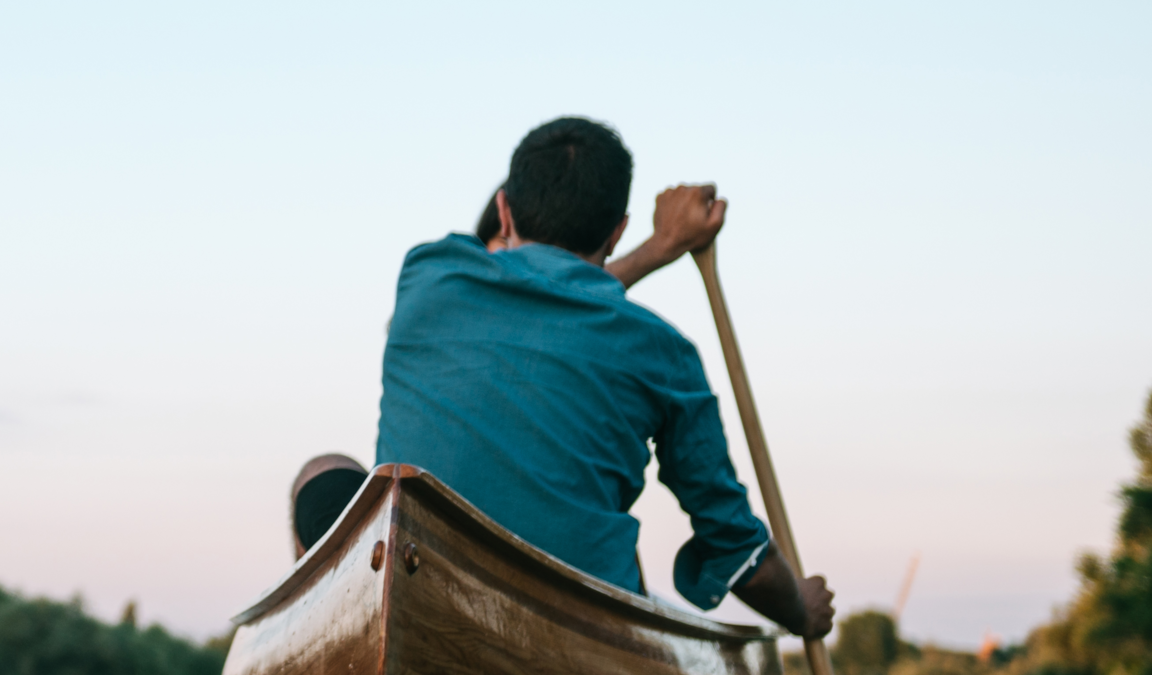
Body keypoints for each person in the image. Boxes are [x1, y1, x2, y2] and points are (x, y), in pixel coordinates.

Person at [288, 115, 836, 641]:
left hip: (423, 603)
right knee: (329, 476)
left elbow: (542, 307)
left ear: (503, 213)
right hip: (579, 625)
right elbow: (737, 553)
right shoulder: (667, 354)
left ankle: (321, 650)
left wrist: (660, 249)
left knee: (321, 472)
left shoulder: (428, 274)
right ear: (617, 232)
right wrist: (801, 611)